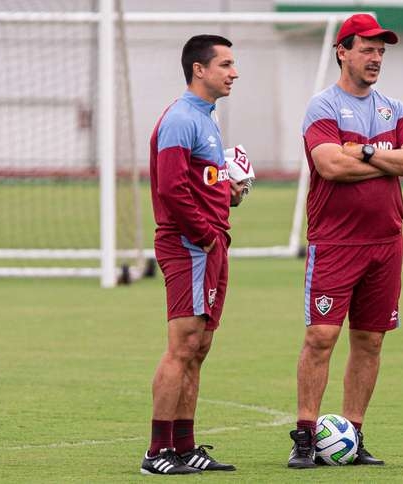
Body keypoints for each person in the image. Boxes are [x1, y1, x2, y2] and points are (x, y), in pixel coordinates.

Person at [288, 14, 403, 469]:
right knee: (321, 337)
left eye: (382, 51)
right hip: (335, 243)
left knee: (370, 342)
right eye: (368, 49)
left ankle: (353, 432)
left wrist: (364, 150)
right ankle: (305, 437)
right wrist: (389, 158)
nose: (376, 58)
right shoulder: (323, 107)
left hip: (386, 243)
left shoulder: (394, 108)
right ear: (342, 51)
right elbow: (330, 166)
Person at [141, 34, 246, 475]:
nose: (233, 72)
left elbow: (197, 180)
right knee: (182, 346)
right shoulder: (182, 117)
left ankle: (184, 446)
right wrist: (204, 234)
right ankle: (156, 452)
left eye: (232, 64)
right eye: (224, 64)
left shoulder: (206, 117)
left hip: (208, 243)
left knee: (199, 346)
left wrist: (227, 191)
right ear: (198, 69)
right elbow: (170, 186)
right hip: (190, 245)